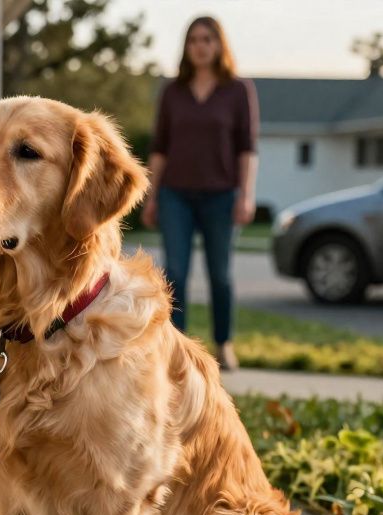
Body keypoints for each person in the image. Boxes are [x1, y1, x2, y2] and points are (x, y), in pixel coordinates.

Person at [142, 15, 259, 370]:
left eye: (208, 39)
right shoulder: (172, 92)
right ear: (186, 47)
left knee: (219, 276)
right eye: (194, 39)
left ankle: (224, 344)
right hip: (175, 194)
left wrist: (246, 195)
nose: (201, 46)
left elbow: (247, 148)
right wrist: (151, 195)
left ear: (219, 44)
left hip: (221, 195)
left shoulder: (238, 90)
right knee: (174, 272)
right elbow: (160, 148)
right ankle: (177, 351)